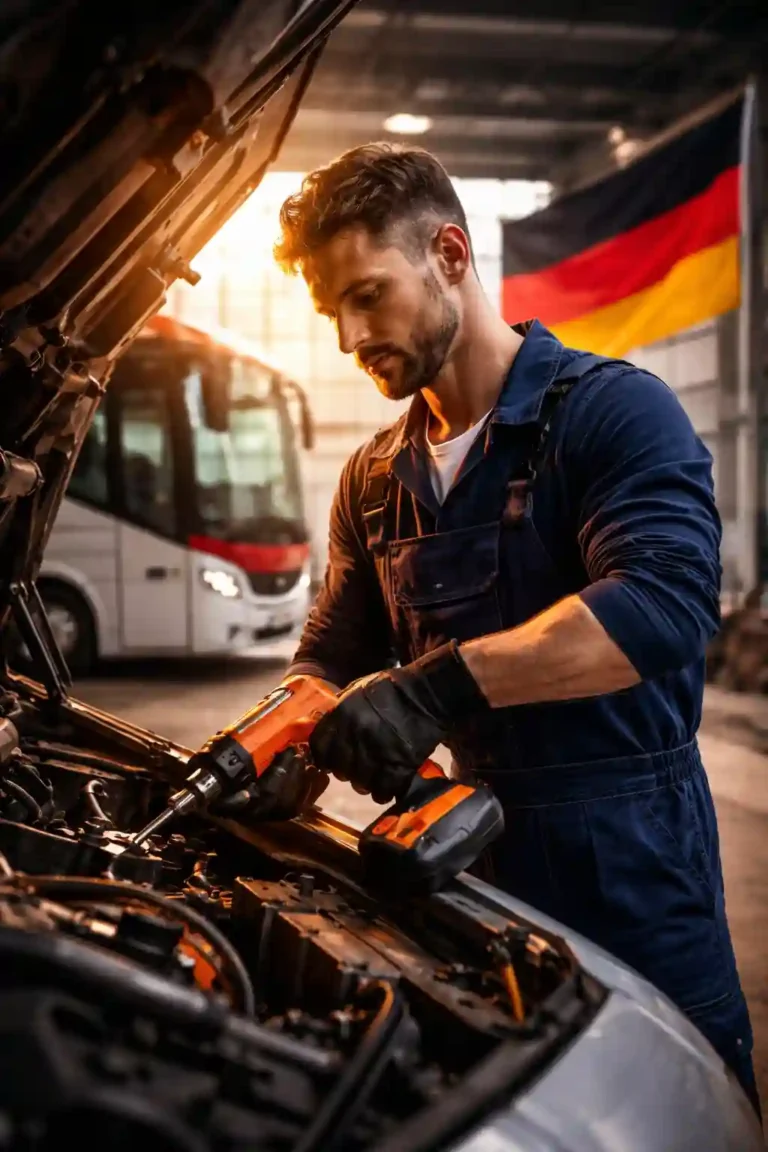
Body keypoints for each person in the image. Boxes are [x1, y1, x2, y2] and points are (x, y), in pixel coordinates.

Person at [269, 142, 759, 1113]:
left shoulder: (614, 414)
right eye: (333, 311)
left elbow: (662, 605)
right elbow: (328, 651)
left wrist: (436, 691)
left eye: (368, 295)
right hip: (465, 866)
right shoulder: (374, 479)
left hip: (633, 865)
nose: (348, 335)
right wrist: (274, 742)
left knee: (682, 1115)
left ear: (450, 253)